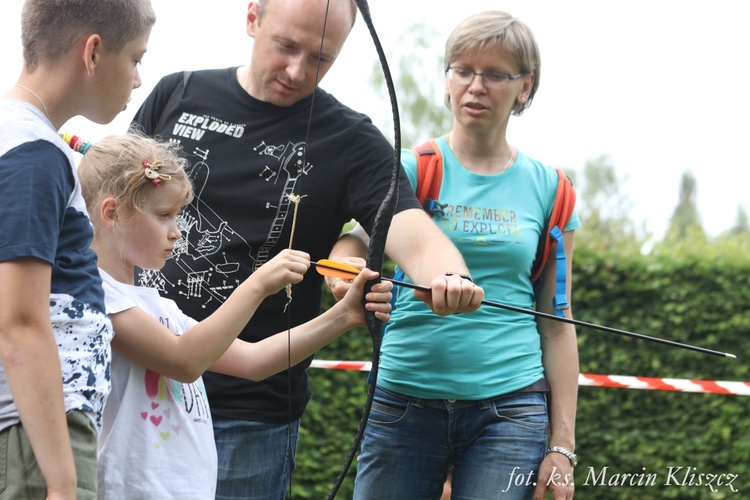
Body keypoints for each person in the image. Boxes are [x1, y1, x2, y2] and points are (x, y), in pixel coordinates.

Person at [129, 0, 483, 497]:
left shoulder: (351, 138)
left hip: (249, 418)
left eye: (320, 58)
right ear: (253, 18)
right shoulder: (177, 93)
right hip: (134, 385)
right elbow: (114, 213)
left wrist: (451, 277)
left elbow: (412, 229)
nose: (297, 71)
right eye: (286, 46)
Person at [69, 132, 392, 499]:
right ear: (111, 213)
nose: (176, 232)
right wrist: (256, 286)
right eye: (163, 216)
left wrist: (343, 315)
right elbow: (185, 361)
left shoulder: (159, 308)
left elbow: (253, 362)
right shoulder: (96, 295)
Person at [351, 10, 580, 500]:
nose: (476, 86)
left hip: (510, 411)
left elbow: (557, 322)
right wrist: (350, 276)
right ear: (447, 81)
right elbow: (349, 248)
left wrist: (562, 447)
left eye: (495, 74)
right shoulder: (410, 170)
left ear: (525, 87)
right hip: (401, 404)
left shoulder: (553, 191)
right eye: (463, 70)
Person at [0, 1, 154, 498]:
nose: (136, 79)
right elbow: (20, 322)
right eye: (134, 58)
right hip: (38, 430)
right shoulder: (35, 153)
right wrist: (63, 482)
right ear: (92, 52)